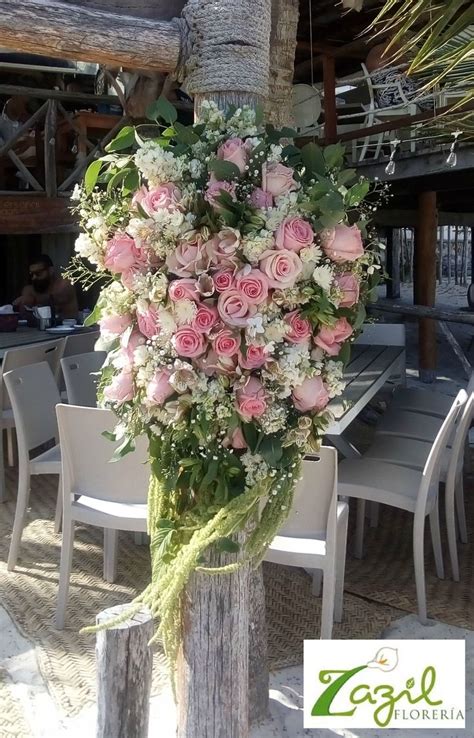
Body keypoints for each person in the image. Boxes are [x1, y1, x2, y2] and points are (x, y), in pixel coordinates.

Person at [365, 37, 433, 111]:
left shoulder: (372, 53)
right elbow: (406, 67)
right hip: (398, 93)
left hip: (385, 99)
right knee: (432, 95)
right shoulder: (388, 46)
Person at [13, 255, 79, 321]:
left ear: (51, 271)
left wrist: (33, 299)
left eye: (38, 273)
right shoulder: (29, 290)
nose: (34, 278)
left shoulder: (64, 284)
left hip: (67, 328)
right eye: (31, 274)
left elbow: (56, 298)